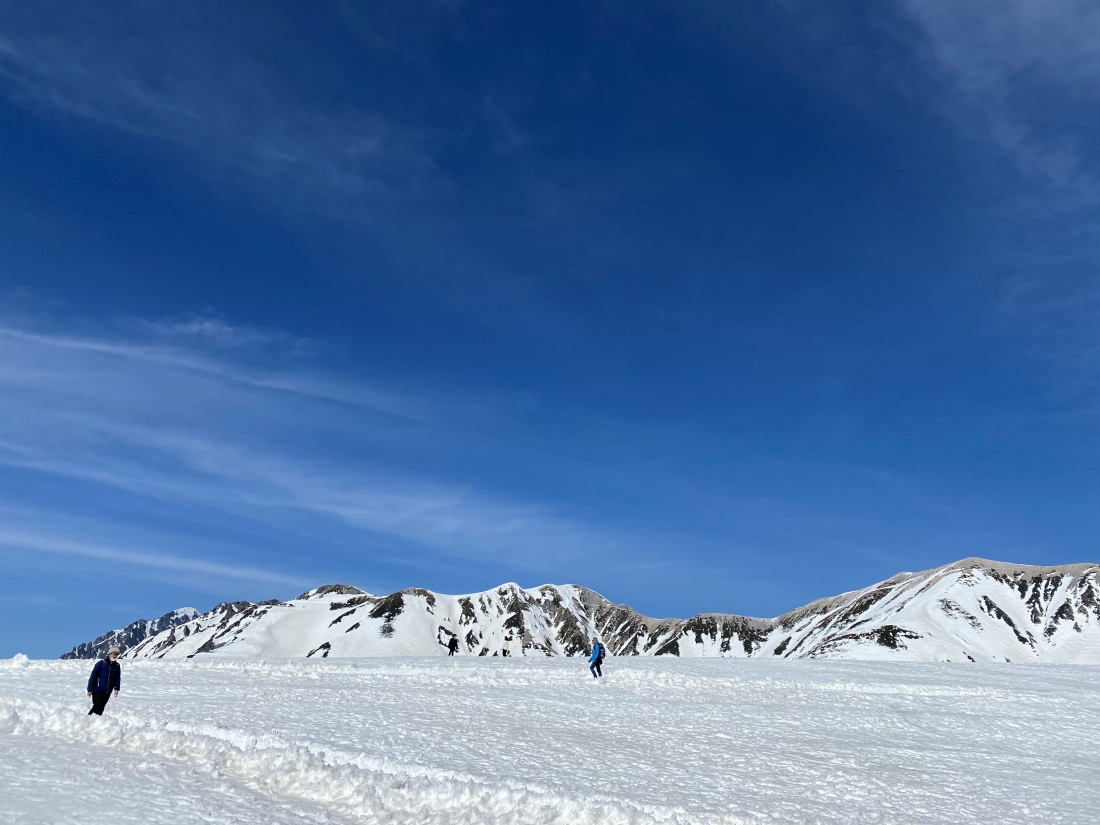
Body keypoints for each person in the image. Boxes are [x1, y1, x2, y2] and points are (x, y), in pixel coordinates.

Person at [87, 646, 122, 715]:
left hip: (107, 691)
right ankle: (87, 720)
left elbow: (117, 678)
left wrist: (116, 688)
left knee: (101, 708)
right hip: (97, 690)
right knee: (97, 706)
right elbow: (93, 677)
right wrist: (90, 689)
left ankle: (96, 722)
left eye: (117, 654)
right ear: (109, 654)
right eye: (114, 654)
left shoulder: (117, 666)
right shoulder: (101, 664)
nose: (115, 656)